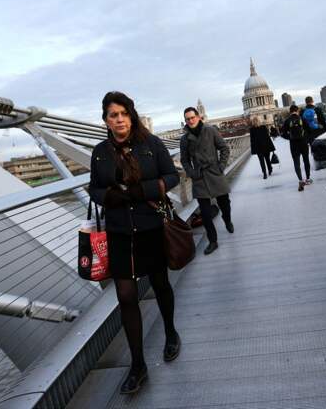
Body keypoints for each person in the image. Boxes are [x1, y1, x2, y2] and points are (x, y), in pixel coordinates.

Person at [89, 91, 181, 394]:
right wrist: (108, 196)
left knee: (160, 284)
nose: (119, 119)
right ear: (106, 120)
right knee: (126, 296)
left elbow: (172, 177)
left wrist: (146, 189)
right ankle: (138, 364)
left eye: (123, 113)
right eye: (113, 115)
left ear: (131, 115)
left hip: (151, 226)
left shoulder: (151, 145)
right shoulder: (100, 152)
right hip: (119, 233)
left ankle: (170, 332)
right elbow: (94, 188)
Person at [180, 107, 233, 255]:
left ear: (199, 117)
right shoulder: (184, 139)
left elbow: (224, 149)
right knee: (205, 213)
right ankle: (213, 241)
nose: (190, 121)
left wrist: (221, 166)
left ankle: (227, 219)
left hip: (215, 173)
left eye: (192, 117)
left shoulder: (210, 131)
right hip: (199, 177)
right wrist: (191, 173)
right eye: (187, 119)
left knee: (225, 203)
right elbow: (184, 160)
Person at [282, 104, 311, 191]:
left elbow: (283, 134)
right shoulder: (302, 119)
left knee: (296, 163)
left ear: (290, 111)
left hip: (294, 144)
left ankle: (300, 180)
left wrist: (290, 138)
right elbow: (309, 131)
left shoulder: (287, 121)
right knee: (306, 160)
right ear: (297, 111)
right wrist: (306, 138)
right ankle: (308, 179)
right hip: (303, 143)